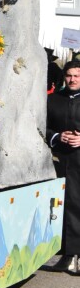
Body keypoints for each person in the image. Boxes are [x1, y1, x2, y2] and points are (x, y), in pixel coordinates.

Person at [46, 59, 80, 274]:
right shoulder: (53, 100)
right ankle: (67, 254)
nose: (73, 79)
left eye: (77, 75)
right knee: (65, 205)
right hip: (61, 160)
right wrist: (58, 136)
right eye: (69, 75)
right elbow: (43, 126)